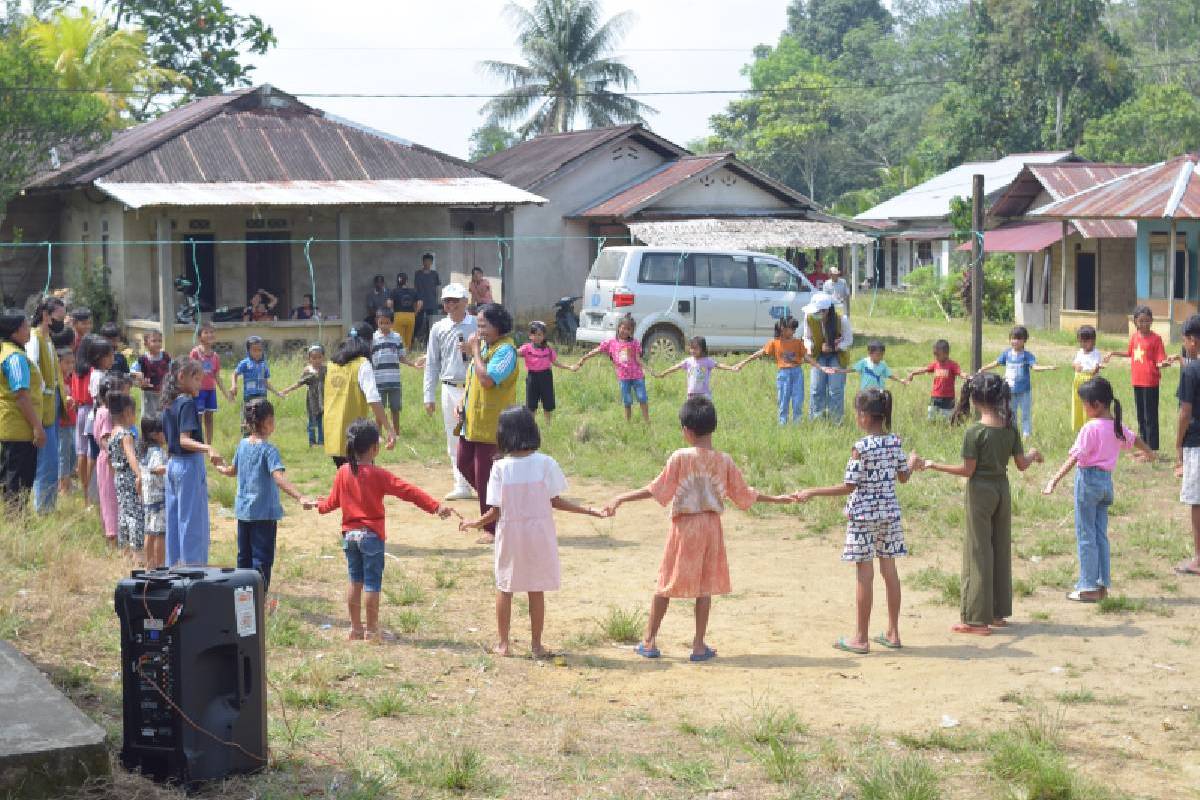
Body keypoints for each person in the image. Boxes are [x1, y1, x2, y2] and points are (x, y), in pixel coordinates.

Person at [603, 397, 790, 661]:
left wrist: (621, 497)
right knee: (705, 586)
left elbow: (656, 489)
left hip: (684, 527)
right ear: (712, 427)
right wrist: (778, 499)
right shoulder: (724, 461)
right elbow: (744, 494)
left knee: (666, 582)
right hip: (712, 528)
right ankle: (699, 645)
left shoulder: (680, 457)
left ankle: (649, 641)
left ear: (687, 431)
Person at [460, 406, 604, 657]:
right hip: (539, 534)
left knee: (505, 586)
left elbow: (495, 511)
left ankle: (503, 644)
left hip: (510, 534)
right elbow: (556, 501)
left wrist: (476, 523)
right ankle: (536, 645)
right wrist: (588, 510)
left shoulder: (500, 468)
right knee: (536, 588)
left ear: (503, 435)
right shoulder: (546, 463)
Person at [792, 389, 922, 654]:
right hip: (890, 514)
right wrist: (911, 462)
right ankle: (894, 633)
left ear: (864, 416)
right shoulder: (895, 442)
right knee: (890, 572)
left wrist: (813, 491)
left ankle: (861, 638)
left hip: (864, 517)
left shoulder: (860, 448)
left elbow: (848, 486)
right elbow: (903, 477)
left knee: (865, 575)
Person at [921, 373, 1043, 635]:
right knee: (999, 547)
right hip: (1002, 489)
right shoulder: (1009, 426)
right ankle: (998, 613)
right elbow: (1021, 464)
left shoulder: (975, 431)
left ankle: (976, 619)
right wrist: (1033, 454)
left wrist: (934, 465)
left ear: (975, 400)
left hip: (980, 492)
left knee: (977, 551)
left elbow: (967, 470)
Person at [316, 419, 456, 641]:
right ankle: (372, 631)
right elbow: (408, 491)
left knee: (355, 581)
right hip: (371, 537)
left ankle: (355, 629)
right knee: (372, 583)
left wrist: (317, 505)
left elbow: (331, 503)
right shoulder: (378, 475)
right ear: (374, 449)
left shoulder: (343, 471)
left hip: (349, 537)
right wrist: (435, 506)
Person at [1043, 377, 1152, 602]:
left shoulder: (1090, 428)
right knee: (1100, 534)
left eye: (1085, 403)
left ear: (1097, 404)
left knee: (1086, 535)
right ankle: (1102, 584)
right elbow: (1136, 439)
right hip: (1106, 484)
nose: (1083, 407)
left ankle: (1088, 585)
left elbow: (1075, 457)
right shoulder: (1116, 426)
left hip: (1088, 481)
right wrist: (1150, 453)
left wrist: (1054, 479)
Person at [214, 399, 313, 607]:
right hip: (264, 515)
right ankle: (258, 600)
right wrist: (300, 496)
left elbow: (233, 470)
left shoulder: (242, 445)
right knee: (261, 559)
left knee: (244, 558)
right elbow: (278, 478)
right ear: (267, 422)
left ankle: (241, 599)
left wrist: (221, 468)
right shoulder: (269, 450)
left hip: (243, 513)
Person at [456, 303, 519, 544]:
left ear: (498, 326)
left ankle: (491, 527)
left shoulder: (506, 351)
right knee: (463, 463)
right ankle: (502, 506)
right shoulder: (484, 347)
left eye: (484, 325)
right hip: (472, 423)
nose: (479, 330)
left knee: (485, 477)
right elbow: (472, 379)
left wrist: (474, 351)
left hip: (492, 427)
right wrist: (461, 401)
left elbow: (487, 380)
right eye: (478, 325)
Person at [420, 283, 477, 500]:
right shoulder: (439, 328)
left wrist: (472, 352)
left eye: (455, 300)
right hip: (450, 387)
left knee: (479, 436)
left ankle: (483, 480)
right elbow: (432, 363)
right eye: (447, 301)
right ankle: (461, 484)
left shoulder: (476, 324)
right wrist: (428, 395)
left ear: (465, 301)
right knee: (454, 438)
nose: (450, 305)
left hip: (474, 386)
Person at [163, 359, 220, 567]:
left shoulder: (169, 402)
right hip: (188, 465)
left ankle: (175, 566)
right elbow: (183, 440)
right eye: (196, 379)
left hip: (173, 464)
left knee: (174, 519)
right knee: (192, 520)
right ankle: (193, 570)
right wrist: (208, 448)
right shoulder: (186, 402)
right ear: (181, 377)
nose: (200, 385)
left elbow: (168, 439)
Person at [323, 332, 396, 467]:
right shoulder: (362, 364)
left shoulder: (331, 365)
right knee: (363, 478)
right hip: (356, 432)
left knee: (345, 475)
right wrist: (388, 428)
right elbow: (373, 398)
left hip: (332, 429)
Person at [1105, 306, 1170, 451]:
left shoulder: (1156, 339)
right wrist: (1113, 352)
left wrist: (1163, 363)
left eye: (1147, 321)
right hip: (1137, 381)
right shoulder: (1134, 337)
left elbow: (1161, 359)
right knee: (1141, 416)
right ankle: (1144, 449)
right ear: (1135, 321)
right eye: (1141, 321)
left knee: (1150, 417)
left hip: (1150, 382)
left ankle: (1152, 450)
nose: (1144, 324)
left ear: (1152, 321)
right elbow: (1130, 353)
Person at [0, 309, 46, 505]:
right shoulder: (16, 358)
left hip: (12, 425)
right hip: (20, 428)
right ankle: (16, 521)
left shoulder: (7, 350)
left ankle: (15, 521)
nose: (29, 330)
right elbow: (21, 396)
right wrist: (37, 426)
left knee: (11, 477)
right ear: (15, 331)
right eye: (26, 326)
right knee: (18, 481)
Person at [734, 316, 815, 424]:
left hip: (797, 372)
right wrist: (743, 362)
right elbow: (760, 353)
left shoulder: (798, 343)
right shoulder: (774, 343)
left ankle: (797, 424)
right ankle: (783, 424)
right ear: (783, 328)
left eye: (795, 329)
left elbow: (806, 357)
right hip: (784, 374)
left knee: (798, 400)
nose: (794, 331)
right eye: (792, 328)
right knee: (783, 400)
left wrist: (820, 366)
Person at [25, 296, 65, 513]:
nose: (61, 320)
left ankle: (48, 504)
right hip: (42, 405)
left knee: (53, 459)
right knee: (46, 460)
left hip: (52, 404)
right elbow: (34, 373)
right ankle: (43, 508)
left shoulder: (48, 339)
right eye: (58, 316)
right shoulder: (35, 339)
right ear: (45, 316)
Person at [979, 325, 1056, 438]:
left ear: (1024, 340)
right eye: (1013, 338)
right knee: (1011, 413)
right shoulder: (1007, 354)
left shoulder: (1027, 356)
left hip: (1024, 392)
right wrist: (984, 368)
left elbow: (1035, 367)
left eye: (1018, 339)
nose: (1015, 341)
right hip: (1009, 391)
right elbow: (997, 362)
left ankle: (1026, 435)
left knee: (1025, 414)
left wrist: (1048, 367)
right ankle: (1013, 433)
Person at [575, 314, 649, 423]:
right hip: (623, 378)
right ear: (619, 327)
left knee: (642, 398)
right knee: (627, 401)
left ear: (631, 331)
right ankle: (628, 422)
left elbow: (638, 359)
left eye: (628, 329)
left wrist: (648, 369)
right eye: (623, 327)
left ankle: (647, 422)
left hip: (637, 376)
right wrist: (584, 358)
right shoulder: (611, 343)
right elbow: (597, 350)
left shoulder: (634, 343)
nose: (625, 331)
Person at [1174, 314, 1200, 578]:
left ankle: (1199, 559)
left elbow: (1185, 412)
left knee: (1197, 502)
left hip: (1197, 442)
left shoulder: (1191, 370)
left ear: (1192, 340)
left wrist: (1177, 446)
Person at [802, 292, 853, 422]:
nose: (815, 314)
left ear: (826, 311)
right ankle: (816, 419)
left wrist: (836, 347)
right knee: (816, 387)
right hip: (819, 355)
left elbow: (848, 340)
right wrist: (809, 347)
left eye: (818, 312)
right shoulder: (809, 317)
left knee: (835, 389)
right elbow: (806, 337)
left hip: (837, 356)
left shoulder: (842, 320)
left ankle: (836, 420)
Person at [106, 393, 144, 560]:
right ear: (128, 412)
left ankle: (124, 550)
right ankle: (137, 552)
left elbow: (109, 458)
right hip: (129, 477)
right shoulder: (126, 435)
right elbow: (131, 456)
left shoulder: (113, 433)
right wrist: (139, 475)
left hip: (118, 477)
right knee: (135, 514)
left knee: (123, 513)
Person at [94, 374, 133, 542]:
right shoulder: (105, 413)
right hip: (110, 462)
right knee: (110, 498)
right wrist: (115, 459)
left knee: (111, 497)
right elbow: (105, 440)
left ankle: (114, 534)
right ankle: (112, 536)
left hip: (109, 460)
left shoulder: (103, 411)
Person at [371, 310, 419, 436]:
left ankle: (396, 433)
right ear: (377, 322)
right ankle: (379, 435)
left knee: (395, 408)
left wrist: (412, 364)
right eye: (381, 323)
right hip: (378, 381)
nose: (384, 326)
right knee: (379, 409)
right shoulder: (373, 338)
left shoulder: (397, 338)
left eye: (387, 323)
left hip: (394, 381)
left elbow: (401, 357)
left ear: (392, 323)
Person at [518, 321, 574, 422]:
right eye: (534, 334)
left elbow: (556, 363)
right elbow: (516, 352)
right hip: (532, 377)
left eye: (540, 334)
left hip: (546, 377)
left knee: (547, 403)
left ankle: (548, 424)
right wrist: (507, 348)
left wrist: (569, 367)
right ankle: (531, 426)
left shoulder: (548, 349)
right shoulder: (526, 348)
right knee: (531, 404)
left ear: (544, 336)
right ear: (530, 336)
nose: (537, 337)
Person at [654, 336, 736, 401]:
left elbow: (718, 365)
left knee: (706, 415)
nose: (693, 350)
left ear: (702, 349)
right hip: (691, 395)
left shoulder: (707, 361)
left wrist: (731, 368)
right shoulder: (688, 361)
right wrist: (664, 373)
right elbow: (676, 367)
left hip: (704, 395)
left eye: (696, 348)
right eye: (691, 348)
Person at [189, 323, 230, 446]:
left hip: (210, 391)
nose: (209, 335)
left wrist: (226, 393)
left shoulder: (215, 356)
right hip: (198, 391)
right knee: (198, 418)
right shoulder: (195, 353)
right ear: (200, 336)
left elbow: (217, 377)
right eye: (206, 332)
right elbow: (190, 372)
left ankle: (209, 445)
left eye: (212, 332)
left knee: (209, 418)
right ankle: (198, 444)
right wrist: (192, 389)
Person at [281, 344, 326, 447]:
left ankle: (321, 441)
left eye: (319, 357)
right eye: (314, 358)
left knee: (321, 422)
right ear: (309, 359)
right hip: (312, 402)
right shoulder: (308, 371)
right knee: (312, 422)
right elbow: (299, 383)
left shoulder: (325, 370)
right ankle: (312, 441)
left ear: (323, 357)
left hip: (323, 401)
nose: (317, 360)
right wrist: (287, 390)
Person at [906, 340, 962, 421]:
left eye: (937, 354)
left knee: (946, 419)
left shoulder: (952, 365)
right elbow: (925, 369)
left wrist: (966, 376)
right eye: (934, 354)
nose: (935, 357)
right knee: (931, 417)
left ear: (946, 353)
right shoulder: (935, 364)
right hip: (935, 396)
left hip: (948, 398)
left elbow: (960, 373)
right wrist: (913, 373)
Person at [140, 416, 167, 570]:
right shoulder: (156, 452)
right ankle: (159, 566)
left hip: (148, 498)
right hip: (158, 499)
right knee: (160, 534)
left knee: (149, 532)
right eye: (163, 432)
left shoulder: (145, 450)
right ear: (155, 434)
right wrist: (171, 467)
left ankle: (149, 566)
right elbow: (156, 468)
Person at [827, 340, 902, 392]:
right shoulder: (864, 362)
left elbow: (890, 375)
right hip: (865, 392)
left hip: (879, 392)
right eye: (878, 355)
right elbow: (852, 369)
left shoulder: (883, 364)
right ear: (870, 353)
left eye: (882, 355)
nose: (880, 357)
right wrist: (838, 370)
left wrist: (901, 380)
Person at [230, 336, 282, 406]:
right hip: (249, 396)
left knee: (262, 415)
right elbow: (234, 374)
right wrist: (234, 385)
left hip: (262, 395)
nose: (257, 353)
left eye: (259, 350)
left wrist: (277, 393)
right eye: (254, 350)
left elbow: (265, 382)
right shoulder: (245, 363)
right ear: (248, 351)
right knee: (250, 414)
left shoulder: (264, 364)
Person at [131, 330, 171, 420]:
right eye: (154, 341)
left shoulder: (165, 357)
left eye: (159, 341)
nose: (157, 344)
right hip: (149, 394)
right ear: (146, 343)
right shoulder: (143, 359)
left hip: (164, 393)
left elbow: (172, 369)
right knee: (148, 418)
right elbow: (132, 371)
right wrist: (138, 376)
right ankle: (148, 433)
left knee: (163, 417)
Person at [1071, 326, 1104, 434]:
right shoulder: (1080, 352)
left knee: (1089, 404)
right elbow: (1074, 363)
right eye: (1081, 341)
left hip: (1090, 381)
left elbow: (1095, 368)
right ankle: (1079, 426)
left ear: (1093, 341)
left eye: (1086, 341)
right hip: (1078, 380)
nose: (1083, 344)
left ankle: (1090, 426)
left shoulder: (1096, 353)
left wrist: (1094, 369)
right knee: (1078, 403)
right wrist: (1075, 366)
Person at [56, 347, 76, 496]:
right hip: (62, 423)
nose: (70, 366)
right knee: (63, 454)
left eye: (72, 363)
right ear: (58, 363)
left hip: (72, 422)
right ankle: (63, 486)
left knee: (72, 452)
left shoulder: (72, 378)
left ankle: (67, 481)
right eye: (67, 363)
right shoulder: (57, 381)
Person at [413, 252, 441, 342]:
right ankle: (416, 340)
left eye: (429, 261)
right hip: (420, 302)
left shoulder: (434, 274)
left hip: (432, 302)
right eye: (425, 261)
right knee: (419, 322)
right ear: (423, 262)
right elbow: (415, 288)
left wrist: (438, 301)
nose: (427, 263)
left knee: (432, 324)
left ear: (431, 263)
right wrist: (415, 302)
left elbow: (437, 288)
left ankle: (430, 341)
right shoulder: (418, 274)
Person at [389, 273, 421, 349]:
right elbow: (420, 303)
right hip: (410, 316)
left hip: (398, 315)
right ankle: (407, 352)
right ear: (406, 281)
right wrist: (415, 312)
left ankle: (400, 353)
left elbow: (389, 303)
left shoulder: (394, 291)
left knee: (398, 337)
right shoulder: (413, 291)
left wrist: (392, 312)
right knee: (409, 337)